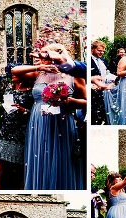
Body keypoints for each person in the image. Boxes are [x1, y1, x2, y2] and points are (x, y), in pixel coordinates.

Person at [15, 43, 86, 190]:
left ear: (56, 56)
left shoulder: (74, 75)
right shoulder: (38, 73)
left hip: (62, 123)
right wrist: (38, 67)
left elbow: (86, 102)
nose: (41, 57)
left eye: (45, 54)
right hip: (38, 123)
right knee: (40, 157)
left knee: (61, 159)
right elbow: (15, 71)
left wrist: (69, 101)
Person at [0, 48, 33, 190]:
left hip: (21, 130)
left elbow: (33, 112)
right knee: (0, 158)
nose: (12, 75)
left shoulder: (30, 92)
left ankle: (22, 187)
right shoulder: (8, 86)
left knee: (21, 161)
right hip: (6, 128)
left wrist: (24, 110)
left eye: (15, 73)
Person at [90, 40, 115, 125]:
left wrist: (116, 78)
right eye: (99, 50)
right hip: (92, 92)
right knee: (93, 115)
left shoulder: (103, 60)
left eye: (103, 51)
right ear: (92, 49)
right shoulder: (88, 60)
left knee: (102, 113)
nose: (102, 53)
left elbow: (107, 74)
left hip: (103, 91)